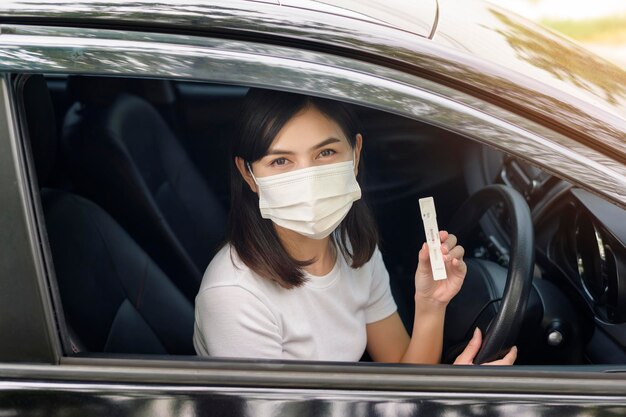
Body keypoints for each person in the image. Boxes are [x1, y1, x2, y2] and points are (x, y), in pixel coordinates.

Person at [193, 88, 517, 365]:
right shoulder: (235, 297)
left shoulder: (350, 245)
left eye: (326, 153)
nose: (308, 178)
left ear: (356, 153)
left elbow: (405, 383)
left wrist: (431, 303)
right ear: (249, 174)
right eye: (281, 161)